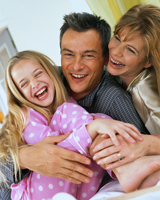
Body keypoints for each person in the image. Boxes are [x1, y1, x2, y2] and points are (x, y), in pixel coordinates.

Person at [0, 12, 150, 199]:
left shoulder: (111, 99)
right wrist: (24, 158)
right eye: (69, 54)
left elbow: (140, 143)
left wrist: (95, 129)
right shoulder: (45, 79)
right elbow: (4, 150)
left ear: (105, 58)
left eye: (88, 55)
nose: (76, 66)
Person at [92, 4, 160, 193]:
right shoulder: (114, 74)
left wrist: (145, 145)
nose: (116, 51)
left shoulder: (144, 92)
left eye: (130, 50)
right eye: (117, 38)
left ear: (148, 61)